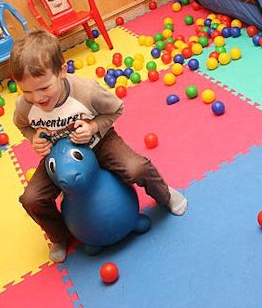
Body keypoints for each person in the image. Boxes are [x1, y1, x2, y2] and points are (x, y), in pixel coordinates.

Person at [11, 29, 188, 263]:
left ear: (62, 71)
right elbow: (22, 125)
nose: (37, 98)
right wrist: (34, 137)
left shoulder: (86, 91)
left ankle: (165, 194)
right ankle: (59, 235)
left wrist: (93, 126)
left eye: (44, 88)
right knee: (31, 198)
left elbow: (117, 109)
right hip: (61, 157)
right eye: (27, 92)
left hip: (99, 142)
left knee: (136, 168)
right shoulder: (25, 106)